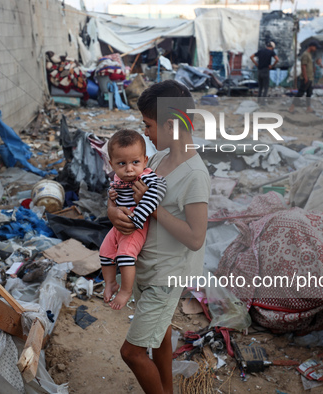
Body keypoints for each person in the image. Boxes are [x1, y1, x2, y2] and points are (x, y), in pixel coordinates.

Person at [108, 80, 210, 394]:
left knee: (132, 352)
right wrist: (114, 212)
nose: (147, 134)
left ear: (170, 124)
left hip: (166, 276)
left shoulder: (194, 175)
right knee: (161, 333)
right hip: (147, 266)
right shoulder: (156, 161)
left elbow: (196, 238)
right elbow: (124, 195)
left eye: (148, 126)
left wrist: (154, 211)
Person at [100, 129, 167, 310]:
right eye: (122, 163)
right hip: (118, 225)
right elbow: (114, 191)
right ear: (111, 164)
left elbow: (159, 190)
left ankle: (125, 291)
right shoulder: (117, 178)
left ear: (145, 161)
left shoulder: (147, 177)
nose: (129, 169)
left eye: (135, 162)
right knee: (105, 251)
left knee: (125, 256)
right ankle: (110, 282)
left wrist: (138, 218)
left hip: (136, 226)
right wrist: (111, 197)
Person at [289, 40, 319, 114]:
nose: (316, 49)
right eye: (315, 47)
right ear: (311, 46)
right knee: (300, 93)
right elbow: (303, 66)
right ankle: (291, 107)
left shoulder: (309, 54)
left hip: (310, 77)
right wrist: (305, 77)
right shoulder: (305, 54)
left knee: (309, 93)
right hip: (306, 78)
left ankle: (308, 107)